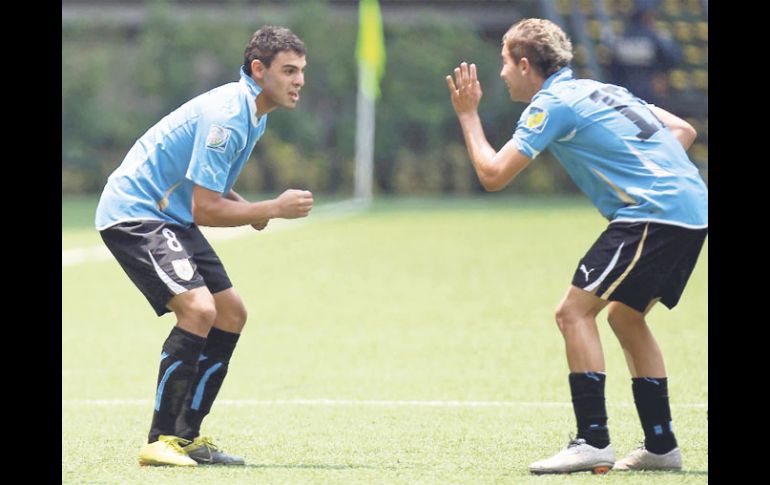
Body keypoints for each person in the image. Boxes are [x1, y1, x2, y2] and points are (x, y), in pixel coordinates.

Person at [445, 18, 706, 474]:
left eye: (504, 64)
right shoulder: (601, 90)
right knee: (625, 317)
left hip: (652, 213)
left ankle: (593, 440)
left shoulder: (551, 105)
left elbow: (492, 174)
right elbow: (682, 131)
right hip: (691, 208)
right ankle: (661, 447)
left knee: (573, 312)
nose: (501, 74)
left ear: (526, 65)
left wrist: (468, 113)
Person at [95, 26, 314, 467]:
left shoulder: (255, 113)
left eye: (302, 71)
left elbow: (212, 188)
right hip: (136, 213)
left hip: (169, 215)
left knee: (231, 313)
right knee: (198, 310)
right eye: (289, 71)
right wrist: (270, 207)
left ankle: (187, 436)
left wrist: (251, 209)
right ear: (258, 70)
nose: (299, 81)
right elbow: (205, 209)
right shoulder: (228, 115)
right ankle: (159, 440)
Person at [607, 0, 682, 107]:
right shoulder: (654, 37)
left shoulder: (621, 37)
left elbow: (612, 69)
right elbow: (674, 58)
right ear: (648, 15)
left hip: (623, 93)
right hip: (649, 92)